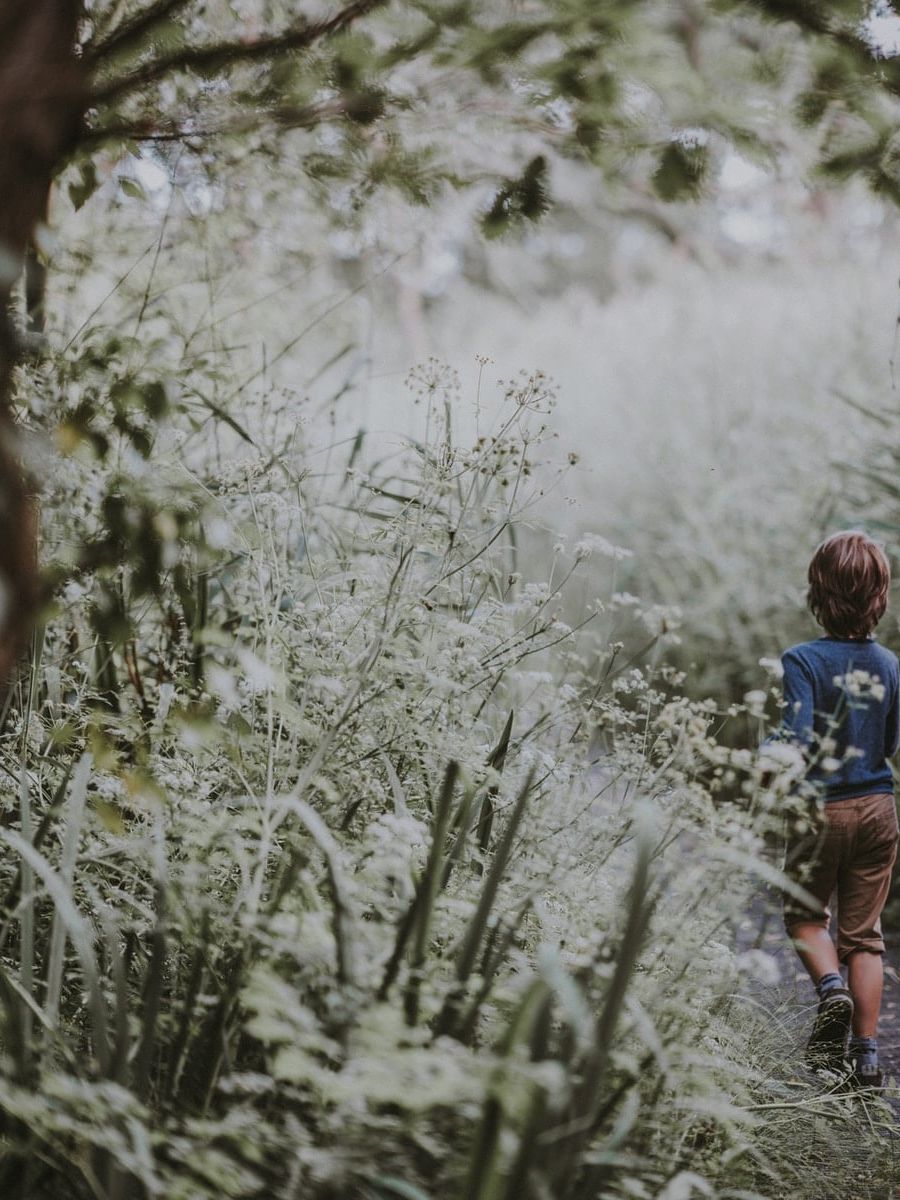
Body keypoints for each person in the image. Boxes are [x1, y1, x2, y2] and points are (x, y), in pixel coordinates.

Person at [776, 530, 900, 1088]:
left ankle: (832, 992)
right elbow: (890, 743)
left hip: (820, 810)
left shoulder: (802, 660)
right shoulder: (890, 664)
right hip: (878, 808)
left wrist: (767, 758)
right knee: (864, 935)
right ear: (880, 596)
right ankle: (868, 1059)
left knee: (804, 914)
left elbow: (795, 741)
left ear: (817, 593)